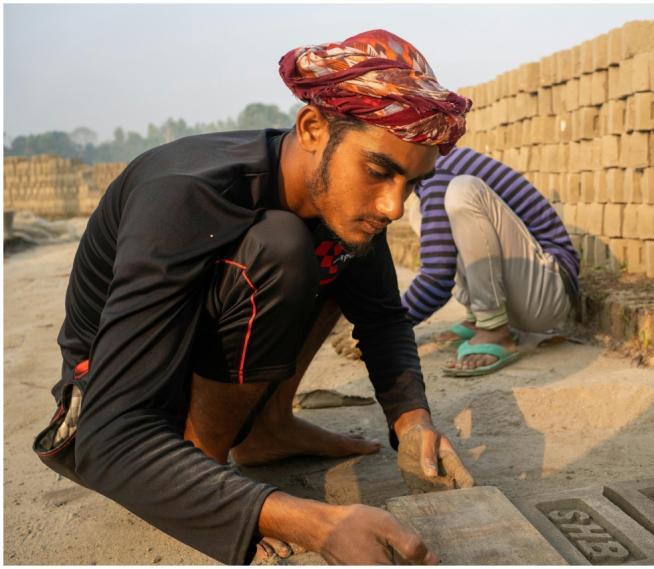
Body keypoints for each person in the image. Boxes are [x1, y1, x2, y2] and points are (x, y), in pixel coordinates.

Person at [32, 29, 473, 565]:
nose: (393, 207)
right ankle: (202, 467)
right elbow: (109, 438)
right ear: (312, 128)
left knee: (341, 245)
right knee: (281, 247)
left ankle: (267, 431)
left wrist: (412, 421)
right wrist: (312, 522)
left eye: (412, 184)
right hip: (113, 406)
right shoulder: (185, 194)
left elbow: (381, 318)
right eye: (379, 171)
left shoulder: (341, 199)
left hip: (191, 379)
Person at [400, 148, 582, 376]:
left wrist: (382, 327)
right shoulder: (432, 168)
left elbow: (437, 277)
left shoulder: (438, 172)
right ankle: (478, 318)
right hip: (524, 296)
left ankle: (493, 328)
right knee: (418, 212)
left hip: (550, 292)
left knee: (463, 190)